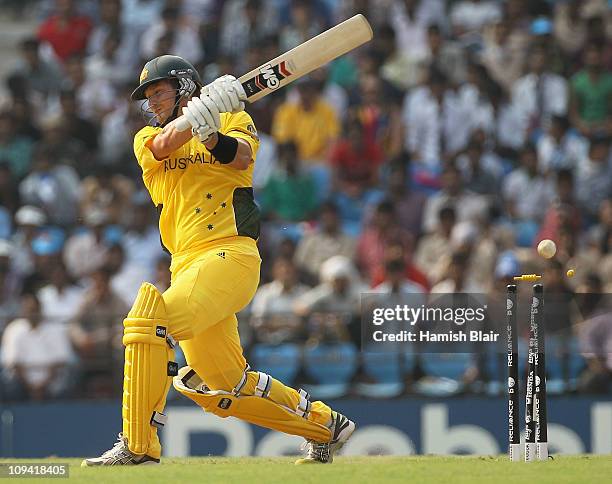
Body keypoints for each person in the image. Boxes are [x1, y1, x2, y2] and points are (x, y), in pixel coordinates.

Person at [82, 55, 354, 466]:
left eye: (159, 92)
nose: (152, 103)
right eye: (148, 97)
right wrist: (197, 116)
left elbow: (241, 158)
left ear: (184, 86)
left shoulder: (233, 119)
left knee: (147, 323)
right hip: (187, 266)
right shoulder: (145, 139)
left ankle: (137, 445)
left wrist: (211, 132)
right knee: (224, 385)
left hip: (230, 255)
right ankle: (325, 427)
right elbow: (162, 144)